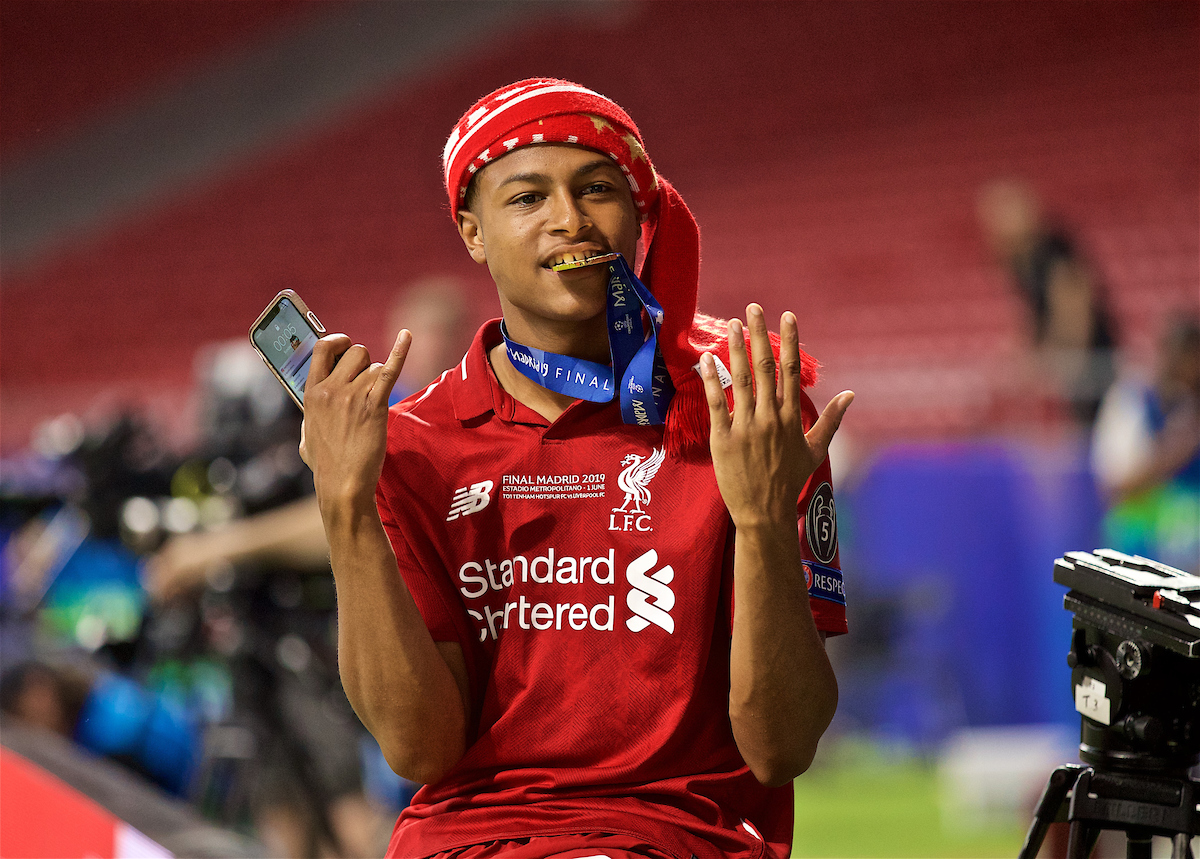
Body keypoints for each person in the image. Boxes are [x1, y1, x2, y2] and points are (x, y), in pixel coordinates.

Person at [300, 79, 854, 859]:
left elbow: (782, 746)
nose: (569, 219)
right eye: (527, 197)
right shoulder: (413, 443)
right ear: (473, 231)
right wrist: (345, 507)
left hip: (679, 839)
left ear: (640, 216)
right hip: (463, 843)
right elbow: (419, 751)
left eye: (596, 188)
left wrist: (761, 520)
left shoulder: (747, 411)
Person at [977, 178, 1118, 426]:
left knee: (1096, 423)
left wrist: (1068, 352)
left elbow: (1074, 304)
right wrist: (1027, 351)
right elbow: (1032, 313)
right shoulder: (1019, 260)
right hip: (1069, 354)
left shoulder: (1054, 248)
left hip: (1092, 353)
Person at [1091, 312, 1200, 572]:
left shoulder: (1189, 404)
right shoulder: (1131, 400)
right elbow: (1115, 483)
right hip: (1141, 545)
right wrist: (1171, 454)